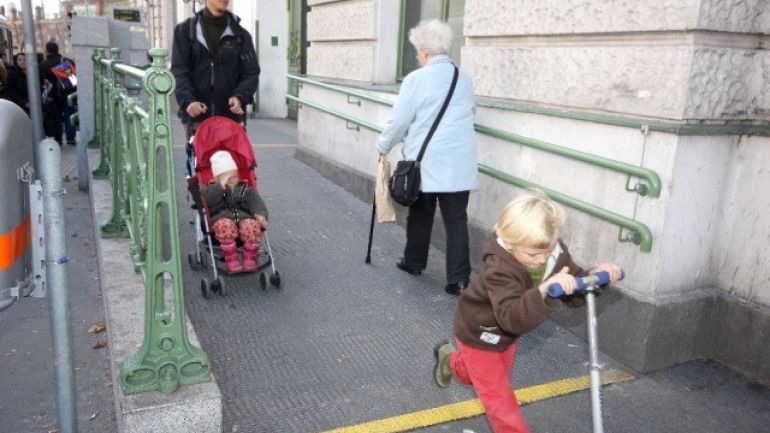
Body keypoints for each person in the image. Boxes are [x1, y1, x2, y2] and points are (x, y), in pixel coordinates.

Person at [432, 191, 622, 433]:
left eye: (548, 250)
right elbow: (511, 318)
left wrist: (597, 276)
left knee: (479, 378)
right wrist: (542, 291)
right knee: (500, 401)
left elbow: (574, 288)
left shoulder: (552, 254)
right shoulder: (498, 269)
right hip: (477, 332)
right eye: (533, 254)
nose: (542, 260)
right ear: (509, 243)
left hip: (505, 337)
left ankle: (451, 360)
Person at [376, 19, 478, 296]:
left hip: (426, 162)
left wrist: (383, 145)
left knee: (421, 214)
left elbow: (399, 121)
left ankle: (414, 262)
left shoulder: (416, 79)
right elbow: (471, 112)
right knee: (456, 220)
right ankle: (458, 279)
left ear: (424, 51)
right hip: (460, 163)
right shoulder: (463, 77)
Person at [171, 0, 260, 129]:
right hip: (197, 119)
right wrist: (188, 102)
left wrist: (240, 97)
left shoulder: (241, 35)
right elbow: (179, 72)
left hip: (231, 119)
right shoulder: (184, 31)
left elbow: (251, 73)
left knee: (231, 150)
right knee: (198, 150)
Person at [202, 150, 268, 273]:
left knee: (252, 225)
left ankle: (249, 256)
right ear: (217, 179)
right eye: (228, 177)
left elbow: (257, 203)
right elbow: (208, 199)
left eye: (235, 176)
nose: (233, 179)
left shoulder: (246, 190)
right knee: (225, 225)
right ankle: (231, 258)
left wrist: (261, 215)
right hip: (221, 221)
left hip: (243, 220)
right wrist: (220, 186)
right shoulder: (211, 190)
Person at [39, 41, 76, 145]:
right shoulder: (67, 61)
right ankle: (71, 138)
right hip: (68, 93)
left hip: (53, 95)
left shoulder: (43, 64)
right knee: (69, 115)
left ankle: (58, 138)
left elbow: (42, 80)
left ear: (47, 51)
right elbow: (73, 78)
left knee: (56, 117)